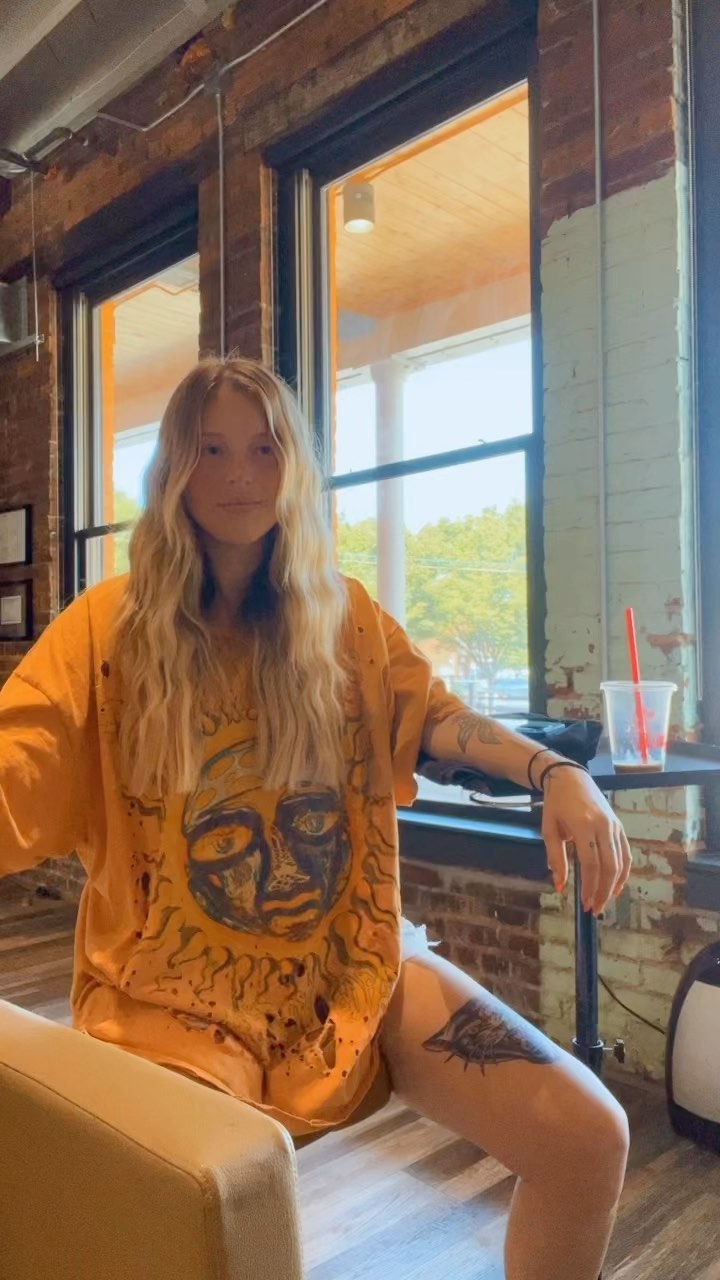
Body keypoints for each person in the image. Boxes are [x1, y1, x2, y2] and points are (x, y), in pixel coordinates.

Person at [0, 357, 630, 1279]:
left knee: (589, 1137)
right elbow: (18, 763)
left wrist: (556, 770)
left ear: (295, 467)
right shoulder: (106, 630)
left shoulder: (346, 619)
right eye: (212, 449)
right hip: (168, 998)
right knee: (223, 1196)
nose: (240, 476)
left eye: (265, 450)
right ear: (174, 466)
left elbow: (435, 719)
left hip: (354, 964)